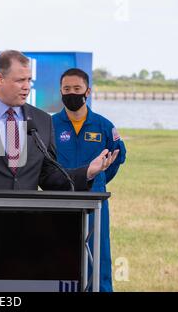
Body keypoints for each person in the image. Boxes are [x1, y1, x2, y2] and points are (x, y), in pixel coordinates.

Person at [0, 50, 119, 192]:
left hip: (26, 226)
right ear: (0, 79)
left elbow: (48, 176)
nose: (27, 87)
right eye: (20, 80)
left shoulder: (42, 120)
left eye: (29, 80)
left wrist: (88, 172)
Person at [52, 68, 127, 292]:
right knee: (59, 252)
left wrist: (99, 180)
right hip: (60, 199)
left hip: (95, 202)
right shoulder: (51, 125)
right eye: (67, 89)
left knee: (99, 254)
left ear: (88, 91)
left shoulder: (104, 126)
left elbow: (116, 158)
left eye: (77, 88)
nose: (72, 93)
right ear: (60, 92)